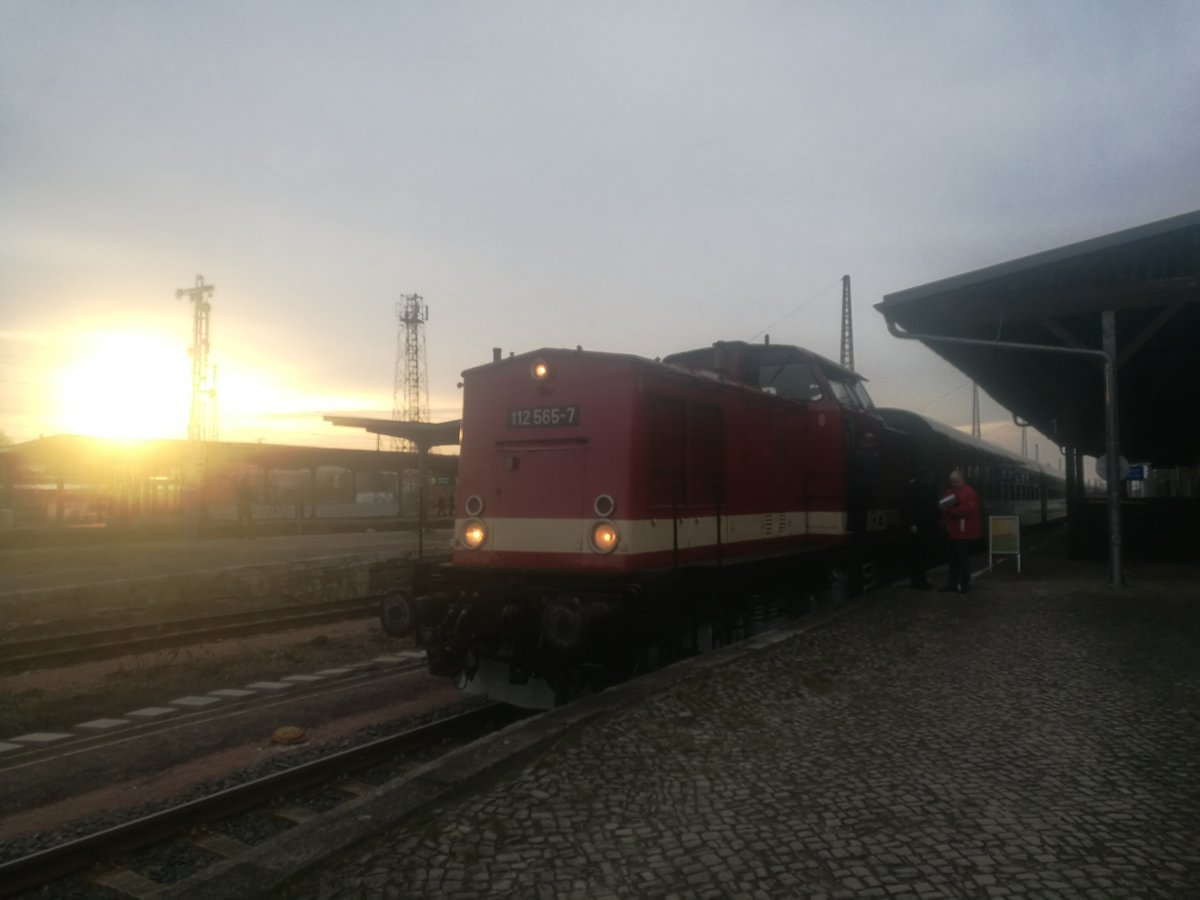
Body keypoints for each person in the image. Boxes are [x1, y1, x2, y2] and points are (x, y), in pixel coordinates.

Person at [939, 468, 981, 594]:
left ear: (963, 480)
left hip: (963, 531)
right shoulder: (950, 492)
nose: (954, 484)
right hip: (952, 530)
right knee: (952, 558)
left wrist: (949, 511)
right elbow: (945, 507)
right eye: (952, 482)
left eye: (957, 482)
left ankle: (965, 585)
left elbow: (966, 510)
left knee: (962, 559)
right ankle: (952, 584)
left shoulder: (969, 493)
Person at [901, 469, 938, 589]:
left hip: (925, 525)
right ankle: (918, 581)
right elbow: (909, 507)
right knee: (918, 553)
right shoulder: (915, 488)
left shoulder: (919, 487)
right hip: (919, 526)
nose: (932, 479)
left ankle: (920, 580)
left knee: (921, 553)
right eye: (931, 477)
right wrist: (912, 523)